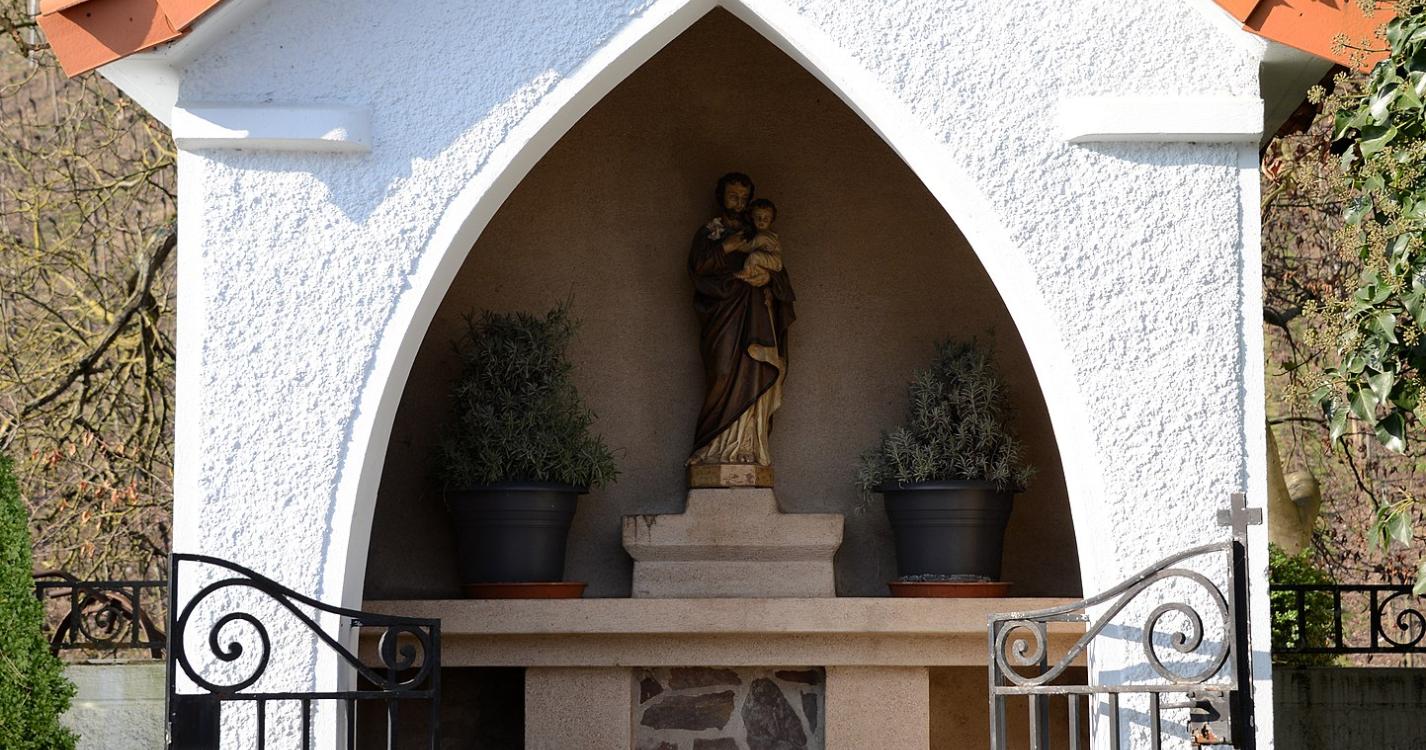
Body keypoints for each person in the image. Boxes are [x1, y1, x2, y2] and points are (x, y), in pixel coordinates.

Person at [686, 173, 795, 467]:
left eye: (744, 198)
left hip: (755, 316)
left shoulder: (757, 233)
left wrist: (768, 279)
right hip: (723, 315)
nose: (739, 203)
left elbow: (780, 274)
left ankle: (747, 445)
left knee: (755, 372)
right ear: (720, 197)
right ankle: (712, 448)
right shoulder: (710, 233)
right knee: (722, 372)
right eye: (733, 196)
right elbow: (697, 267)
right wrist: (727, 247)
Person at [734, 198, 782, 288]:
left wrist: (736, 246)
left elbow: (748, 247)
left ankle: (747, 272)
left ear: (771, 219)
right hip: (766, 260)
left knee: (754, 256)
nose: (761, 220)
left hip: (774, 260)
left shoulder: (763, 236)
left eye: (766, 218)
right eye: (758, 217)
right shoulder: (756, 233)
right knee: (755, 262)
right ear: (752, 218)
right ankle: (754, 275)